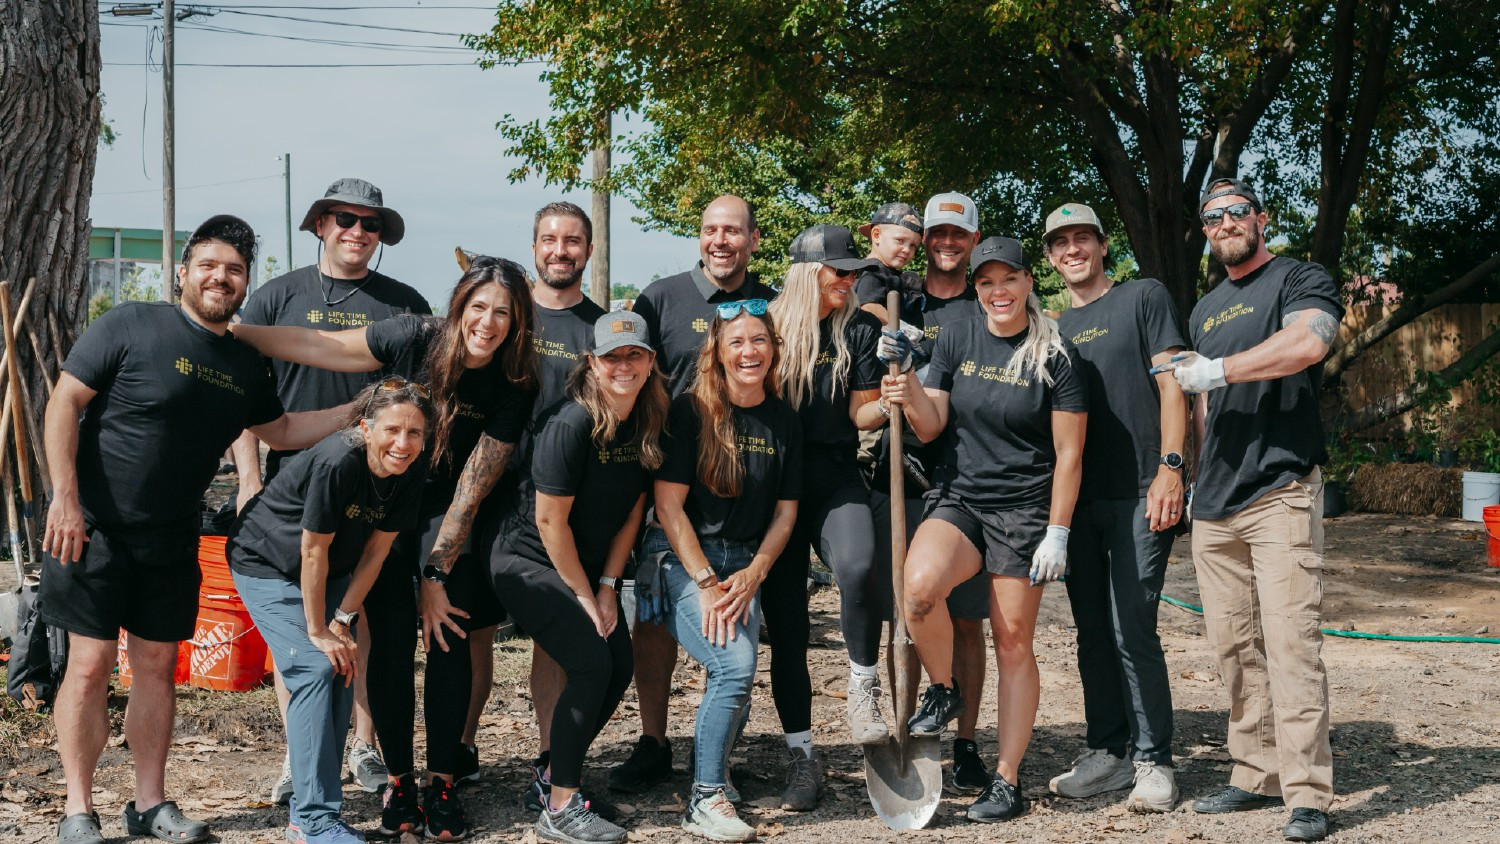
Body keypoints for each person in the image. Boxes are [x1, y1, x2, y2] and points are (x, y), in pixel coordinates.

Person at [40, 215, 347, 844]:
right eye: (208, 265)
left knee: (157, 667)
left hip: (173, 538)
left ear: (243, 285)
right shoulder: (130, 323)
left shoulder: (242, 361)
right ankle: (79, 809)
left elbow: (281, 431)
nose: (220, 277)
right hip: (92, 529)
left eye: (234, 270)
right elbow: (64, 402)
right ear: (183, 271)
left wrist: (358, 411)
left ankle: (150, 804)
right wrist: (64, 499)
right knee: (91, 664)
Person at [231, 258, 538, 841]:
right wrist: (234, 331)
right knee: (391, 642)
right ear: (459, 306)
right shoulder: (414, 335)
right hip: (382, 504)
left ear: (518, 321)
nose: (489, 322)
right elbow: (318, 344)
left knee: (448, 631)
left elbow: (474, 485)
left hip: (447, 518)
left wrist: (436, 572)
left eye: (504, 312)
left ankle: (443, 779)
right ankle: (399, 780)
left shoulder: (514, 382)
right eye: (479, 307)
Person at [880, 235, 1087, 823]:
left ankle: (1007, 779)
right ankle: (944, 689)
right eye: (987, 282)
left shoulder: (1056, 354)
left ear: (1028, 283)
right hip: (961, 497)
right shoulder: (957, 338)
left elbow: (1069, 456)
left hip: (1025, 509)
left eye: (1009, 280)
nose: (999, 291)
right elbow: (928, 425)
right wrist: (909, 376)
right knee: (917, 590)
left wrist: (1058, 530)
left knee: (1012, 638)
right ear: (976, 288)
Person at [1160, 178, 1342, 843]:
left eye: (1237, 211)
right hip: (1217, 503)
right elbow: (1205, 411)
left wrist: (1221, 370)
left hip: (1280, 490)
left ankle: (1307, 794)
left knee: (1292, 642)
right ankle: (1254, 771)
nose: (1225, 222)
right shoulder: (1206, 307)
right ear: (1206, 232)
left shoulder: (1300, 278)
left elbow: (1309, 344)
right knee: (1235, 647)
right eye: (1212, 217)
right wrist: (1188, 476)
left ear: (1260, 219)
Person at [237, 177, 429, 800]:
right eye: (344, 218)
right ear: (319, 223)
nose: (357, 232)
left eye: (370, 224)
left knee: (359, 615)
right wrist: (248, 478)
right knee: (301, 624)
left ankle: (364, 745)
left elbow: (414, 406)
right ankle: (303, 751)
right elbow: (243, 398)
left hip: (376, 486)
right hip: (295, 486)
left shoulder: (403, 305)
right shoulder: (275, 296)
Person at [610, 195, 778, 794]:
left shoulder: (768, 302)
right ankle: (654, 741)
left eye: (733, 230)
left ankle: (719, 757)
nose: (721, 240)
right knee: (653, 623)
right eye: (711, 230)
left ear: (753, 238)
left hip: (744, 489)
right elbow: (631, 368)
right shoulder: (663, 297)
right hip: (669, 482)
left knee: (735, 628)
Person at [491, 312, 669, 844]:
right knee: (592, 661)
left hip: (587, 570)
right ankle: (561, 808)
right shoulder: (570, 423)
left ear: (650, 361)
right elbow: (549, 521)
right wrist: (582, 593)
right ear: (592, 362)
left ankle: (553, 775)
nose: (623, 365)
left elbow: (633, 513)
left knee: (617, 663)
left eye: (633, 355)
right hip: (526, 562)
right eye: (611, 356)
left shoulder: (645, 421)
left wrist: (610, 586)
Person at [228, 379, 430, 844]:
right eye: (393, 430)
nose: (403, 443)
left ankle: (319, 810)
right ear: (366, 427)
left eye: (415, 433)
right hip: (268, 560)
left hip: (334, 565)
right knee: (316, 666)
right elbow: (311, 550)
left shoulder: (410, 470)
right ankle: (312, 819)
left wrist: (342, 620)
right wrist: (318, 628)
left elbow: (376, 554)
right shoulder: (338, 460)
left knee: (339, 666)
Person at [1046, 202, 1188, 812]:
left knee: (1133, 623)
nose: (1072, 250)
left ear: (1103, 246)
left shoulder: (1144, 297)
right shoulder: (1049, 329)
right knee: (1091, 631)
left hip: (1140, 490)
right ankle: (1108, 751)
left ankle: (1155, 760)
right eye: (1061, 243)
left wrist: (1172, 468)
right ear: (1050, 258)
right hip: (1077, 502)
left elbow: (1172, 384)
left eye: (1083, 239)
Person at [645, 302, 800, 841]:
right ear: (717, 351)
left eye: (759, 340)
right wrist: (707, 584)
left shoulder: (784, 418)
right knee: (735, 667)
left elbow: (786, 512)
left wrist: (757, 570)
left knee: (736, 671)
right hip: (684, 560)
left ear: (774, 349)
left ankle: (715, 772)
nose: (748, 351)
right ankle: (705, 798)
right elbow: (669, 508)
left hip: (745, 564)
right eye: (736, 342)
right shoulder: (691, 411)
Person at [857, 191, 993, 790]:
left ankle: (963, 743)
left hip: (968, 475)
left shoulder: (985, 303)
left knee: (965, 618)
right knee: (905, 610)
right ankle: (906, 727)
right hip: (901, 473)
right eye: (935, 233)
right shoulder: (896, 299)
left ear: (972, 241)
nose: (944, 243)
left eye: (957, 235)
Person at [763, 224, 886, 810]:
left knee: (861, 568)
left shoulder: (858, 329)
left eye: (855, 272)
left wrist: (893, 397)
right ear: (809, 273)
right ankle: (803, 755)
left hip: (835, 477)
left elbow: (862, 415)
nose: (851, 280)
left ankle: (864, 686)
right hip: (772, 486)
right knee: (787, 625)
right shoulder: (763, 328)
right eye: (841, 271)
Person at [520, 202, 608, 811]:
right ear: (533, 247)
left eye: (572, 241)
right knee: (467, 636)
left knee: (554, 643)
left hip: (569, 512)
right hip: (499, 505)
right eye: (549, 240)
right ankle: (461, 758)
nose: (560, 250)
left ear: (589, 251)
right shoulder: (508, 319)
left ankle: (552, 766)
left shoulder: (602, 332)